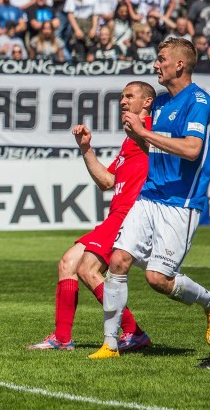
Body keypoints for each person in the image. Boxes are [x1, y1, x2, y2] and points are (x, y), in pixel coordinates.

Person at [90, 38, 210, 359]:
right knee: (117, 262)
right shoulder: (160, 104)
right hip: (149, 196)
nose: (156, 65)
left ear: (179, 65)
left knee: (158, 278)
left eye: (161, 59)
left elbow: (191, 149)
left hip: (180, 202)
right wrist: (138, 134)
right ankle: (110, 344)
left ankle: (209, 303)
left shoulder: (197, 100)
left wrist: (143, 133)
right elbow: (154, 148)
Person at [28, 81, 155, 351]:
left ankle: (133, 331)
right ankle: (63, 338)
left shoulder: (152, 132)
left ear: (146, 102)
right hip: (115, 215)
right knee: (67, 263)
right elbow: (107, 181)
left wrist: (141, 134)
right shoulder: (130, 138)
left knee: (87, 269)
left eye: (129, 96)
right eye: (121, 96)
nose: (122, 101)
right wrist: (86, 148)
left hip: (130, 214)